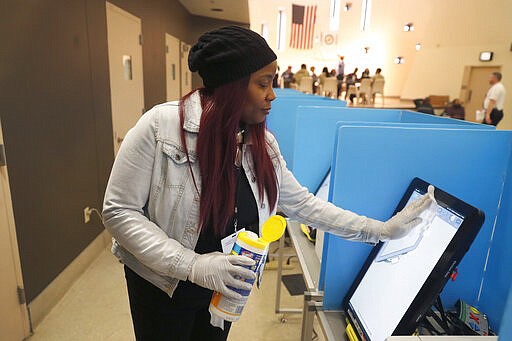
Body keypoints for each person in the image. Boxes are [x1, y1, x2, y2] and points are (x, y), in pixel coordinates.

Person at [102, 26, 436, 341]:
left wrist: (379, 230)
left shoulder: (260, 144)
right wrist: (194, 266)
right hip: (163, 286)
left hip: (225, 290)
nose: (272, 95)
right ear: (231, 86)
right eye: (263, 83)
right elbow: (119, 211)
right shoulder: (160, 128)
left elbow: (303, 204)